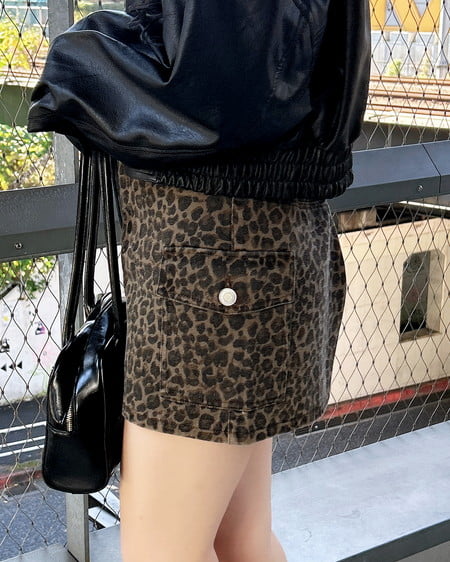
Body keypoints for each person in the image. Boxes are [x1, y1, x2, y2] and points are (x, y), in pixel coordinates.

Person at [27, 1, 371, 560]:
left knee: (163, 550)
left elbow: (222, 74)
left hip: (216, 257)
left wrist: (79, 60)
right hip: (245, 250)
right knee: (241, 539)